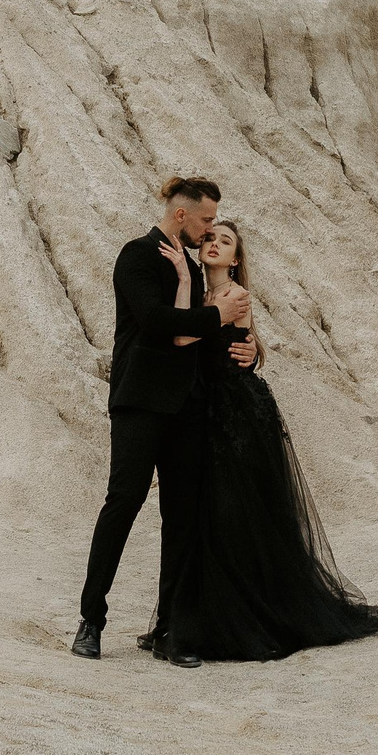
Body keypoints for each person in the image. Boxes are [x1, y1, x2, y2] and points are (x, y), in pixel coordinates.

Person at [150, 217, 378, 661]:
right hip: (204, 413)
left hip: (239, 414)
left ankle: (248, 620)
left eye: (224, 241)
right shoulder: (198, 295)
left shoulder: (235, 295)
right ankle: (196, 619)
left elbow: (188, 333)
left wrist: (190, 284)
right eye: (209, 238)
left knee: (236, 515)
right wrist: (186, 283)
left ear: (236, 257)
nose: (213, 244)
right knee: (203, 518)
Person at [71, 177, 249, 665]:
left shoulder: (192, 266)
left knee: (183, 517)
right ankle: (90, 622)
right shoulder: (137, 256)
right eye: (207, 219)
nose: (211, 229)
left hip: (188, 410)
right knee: (123, 504)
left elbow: (202, 343)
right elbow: (155, 321)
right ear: (181, 216)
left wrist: (247, 351)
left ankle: (170, 630)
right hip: (141, 403)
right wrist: (214, 318)